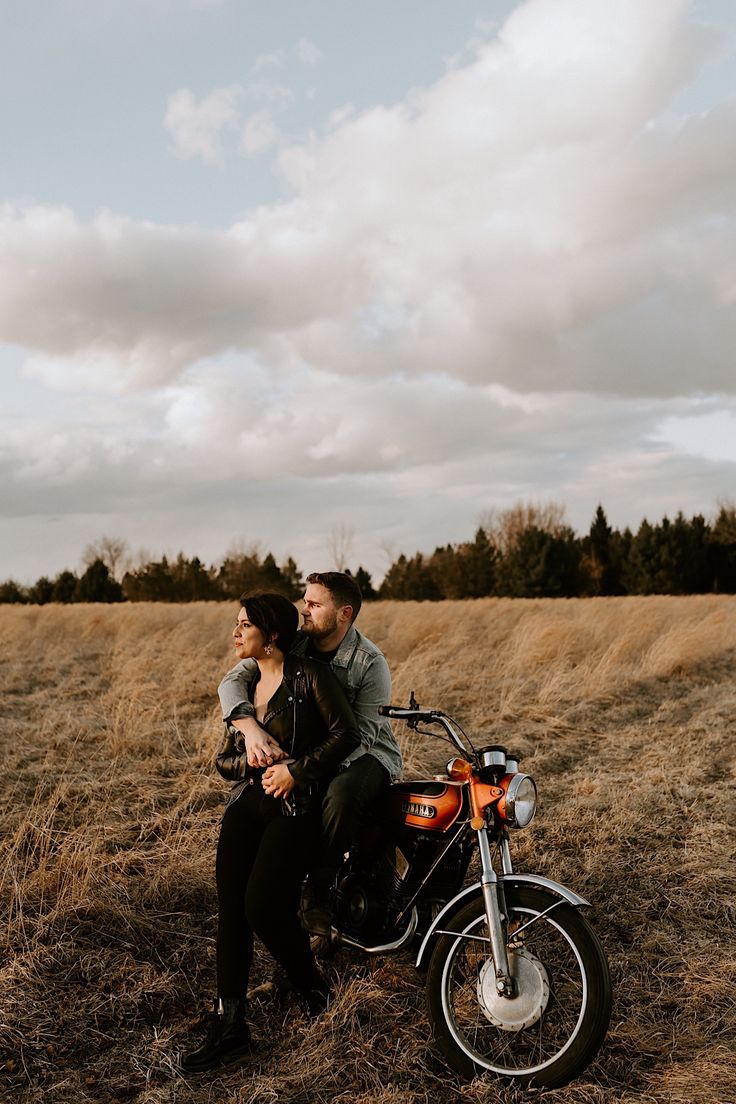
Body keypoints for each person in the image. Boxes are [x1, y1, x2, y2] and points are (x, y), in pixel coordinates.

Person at [181, 591, 360, 1075]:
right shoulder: (245, 692)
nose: (235, 633)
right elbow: (224, 762)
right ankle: (231, 1023)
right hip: (247, 807)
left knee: (261, 907)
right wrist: (253, 754)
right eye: (236, 624)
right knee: (231, 912)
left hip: (294, 808)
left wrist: (296, 769)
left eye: (245, 625)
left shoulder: (312, 677)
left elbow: (347, 735)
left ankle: (313, 988)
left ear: (272, 635)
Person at [217, 571, 402, 935]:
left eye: (315, 604)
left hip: (365, 755)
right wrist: (250, 730)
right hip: (305, 752)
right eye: (305, 600)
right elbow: (232, 680)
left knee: (340, 792)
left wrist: (300, 771)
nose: (304, 609)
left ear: (344, 613)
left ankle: (320, 887)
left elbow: (361, 735)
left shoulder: (369, 662)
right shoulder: (295, 643)